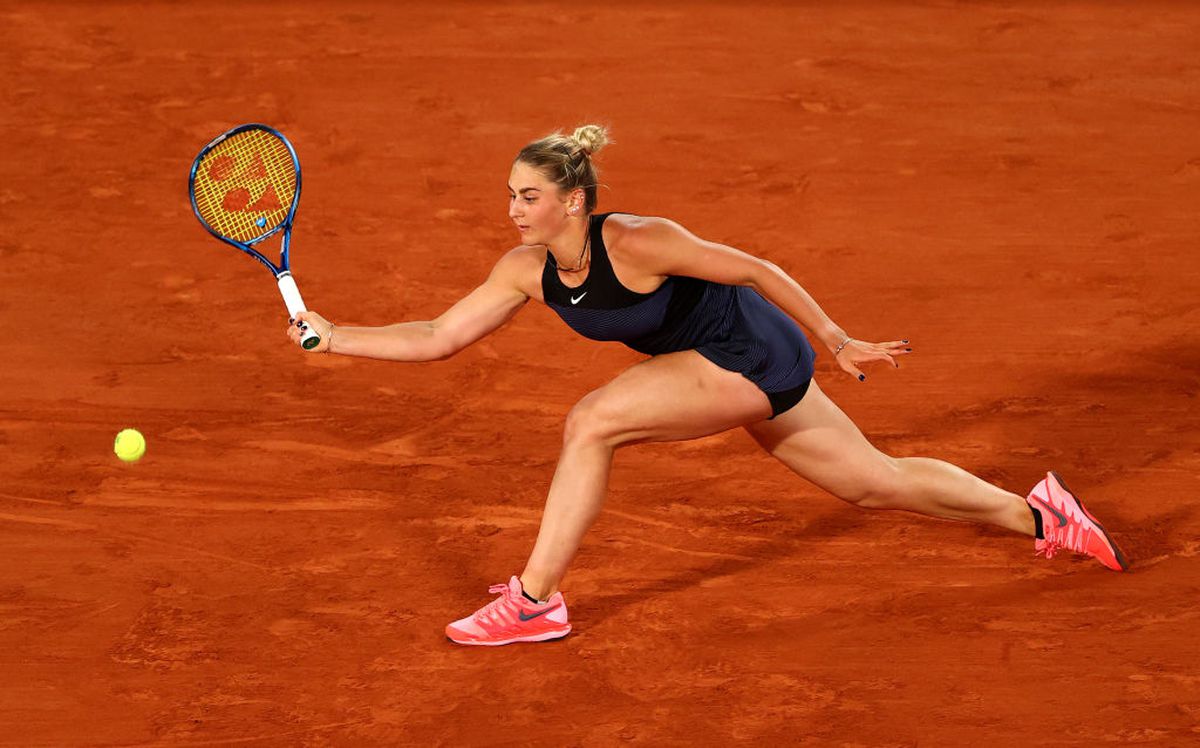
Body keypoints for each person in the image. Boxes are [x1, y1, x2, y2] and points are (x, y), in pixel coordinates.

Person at [287, 124, 1128, 647]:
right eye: (511, 196)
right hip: (724, 370)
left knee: (592, 422)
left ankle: (536, 602)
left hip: (752, 357)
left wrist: (834, 339)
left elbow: (756, 268)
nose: (514, 211)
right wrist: (335, 337)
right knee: (876, 483)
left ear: (574, 201)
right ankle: (1043, 514)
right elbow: (439, 337)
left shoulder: (644, 241)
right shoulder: (526, 271)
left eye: (531, 197)